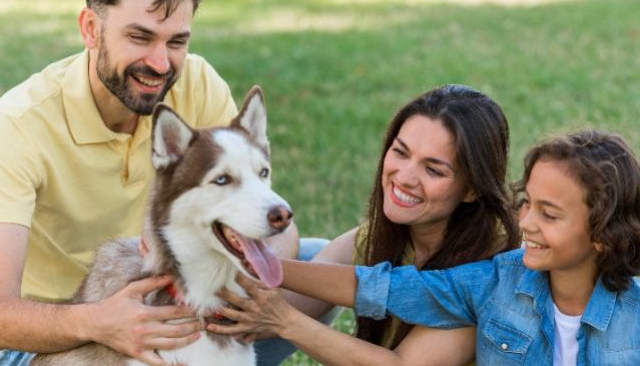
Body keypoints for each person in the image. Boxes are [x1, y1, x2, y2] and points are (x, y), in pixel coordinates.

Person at [0, 0, 312, 365]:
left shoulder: (197, 82)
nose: (160, 63)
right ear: (91, 29)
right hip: (49, 338)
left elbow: (258, 216)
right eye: (140, 36)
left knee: (314, 268)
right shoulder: (18, 124)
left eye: (177, 41)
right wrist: (99, 322)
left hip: (174, 295)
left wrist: (255, 272)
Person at [257, 129, 640, 364]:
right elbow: (387, 289)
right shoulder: (497, 283)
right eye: (527, 204)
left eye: (549, 214)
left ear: (602, 234)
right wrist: (266, 268)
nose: (527, 223)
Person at [207, 84, 522, 365]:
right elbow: (295, 298)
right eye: (400, 152)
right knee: (311, 256)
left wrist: (285, 320)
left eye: (433, 170)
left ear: (472, 189)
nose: (404, 177)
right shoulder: (384, 235)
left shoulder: (489, 271)